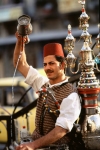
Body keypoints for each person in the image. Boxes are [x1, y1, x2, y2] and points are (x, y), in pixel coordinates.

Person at [13, 32, 81, 150]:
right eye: (45, 64)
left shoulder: (71, 95)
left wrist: (33, 145)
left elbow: (61, 130)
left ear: (62, 65)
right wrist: (20, 42)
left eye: (51, 63)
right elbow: (20, 64)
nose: (47, 68)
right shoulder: (43, 84)